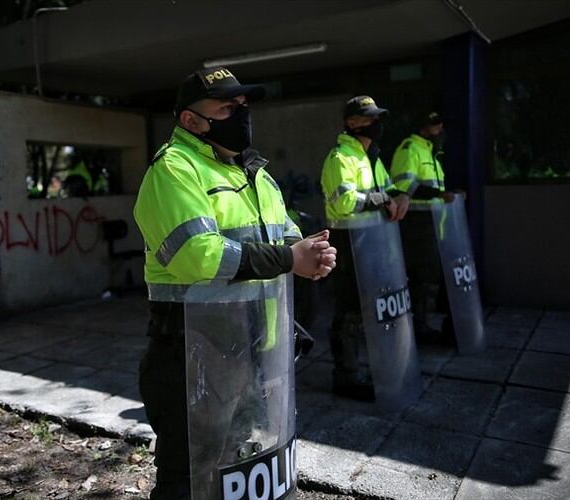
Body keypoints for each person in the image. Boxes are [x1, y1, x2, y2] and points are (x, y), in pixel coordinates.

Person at [133, 67, 337, 500]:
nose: (240, 115)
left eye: (242, 106)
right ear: (190, 121)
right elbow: (196, 256)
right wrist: (289, 258)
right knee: (191, 476)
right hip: (191, 354)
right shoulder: (174, 169)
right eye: (226, 107)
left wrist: (310, 254)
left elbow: (286, 235)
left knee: (237, 465)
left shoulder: (255, 175)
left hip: (251, 348)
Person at [320, 95, 410, 401]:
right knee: (349, 312)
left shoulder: (371, 157)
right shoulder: (340, 157)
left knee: (367, 309)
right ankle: (346, 376)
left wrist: (400, 197)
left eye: (376, 118)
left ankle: (363, 369)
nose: (376, 123)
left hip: (373, 244)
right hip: (348, 244)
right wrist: (382, 200)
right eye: (369, 118)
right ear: (351, 122)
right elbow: (344, 202)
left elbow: (389, 188)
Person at [389, 111, 463, 345]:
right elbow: (403, 186)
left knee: (431, 277)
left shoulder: (431, 152)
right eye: (435, 126)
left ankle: (430, 325)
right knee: (420, 278)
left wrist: (448, 195)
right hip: (416, 225)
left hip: (433, 224)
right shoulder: (410, 148)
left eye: (441, 125)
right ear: (423, 128)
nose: (440, 130)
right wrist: (440, 194)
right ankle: (417, 328)